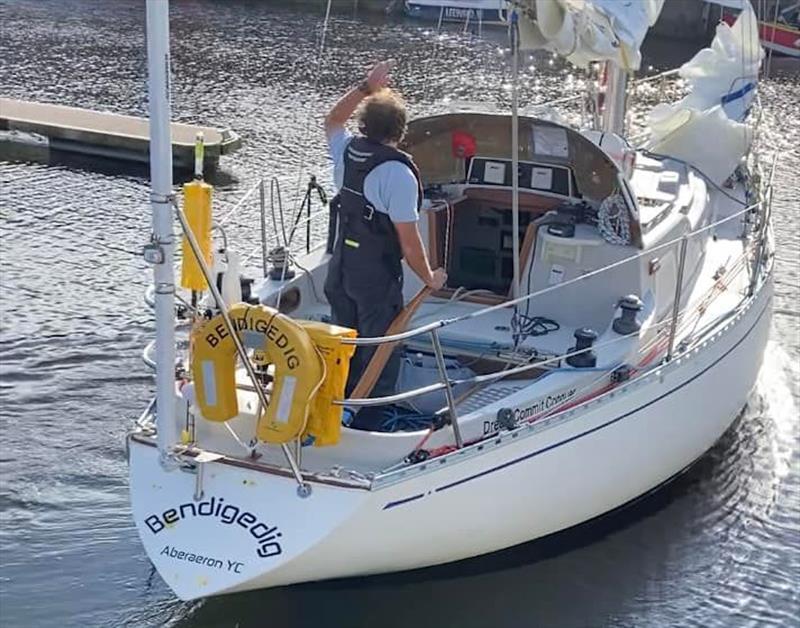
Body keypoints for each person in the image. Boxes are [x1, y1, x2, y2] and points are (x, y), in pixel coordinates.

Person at [323, 61, 446, 427]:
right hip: (375, 278)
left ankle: (336, 407)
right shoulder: (397, 174)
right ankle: (371, 422)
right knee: (381, 347)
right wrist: (431, 278)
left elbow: (331, 120)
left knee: (344, 341)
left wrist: (364, 87)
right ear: (401, 131)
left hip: (340, 267)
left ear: (363, 125)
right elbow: (409, 244)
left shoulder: (345, 152)